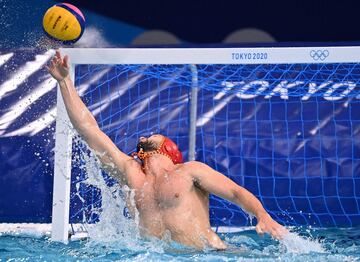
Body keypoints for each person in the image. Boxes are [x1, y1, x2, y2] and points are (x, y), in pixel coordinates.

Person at [47, 50, 288, 250]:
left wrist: (262, 215)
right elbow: (89, 130)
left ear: (168, 148)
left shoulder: (189, 171)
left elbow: (235, 192)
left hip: (208, 256)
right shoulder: (130, 173)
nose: (142, 136)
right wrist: (65, 82)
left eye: (150, 135)